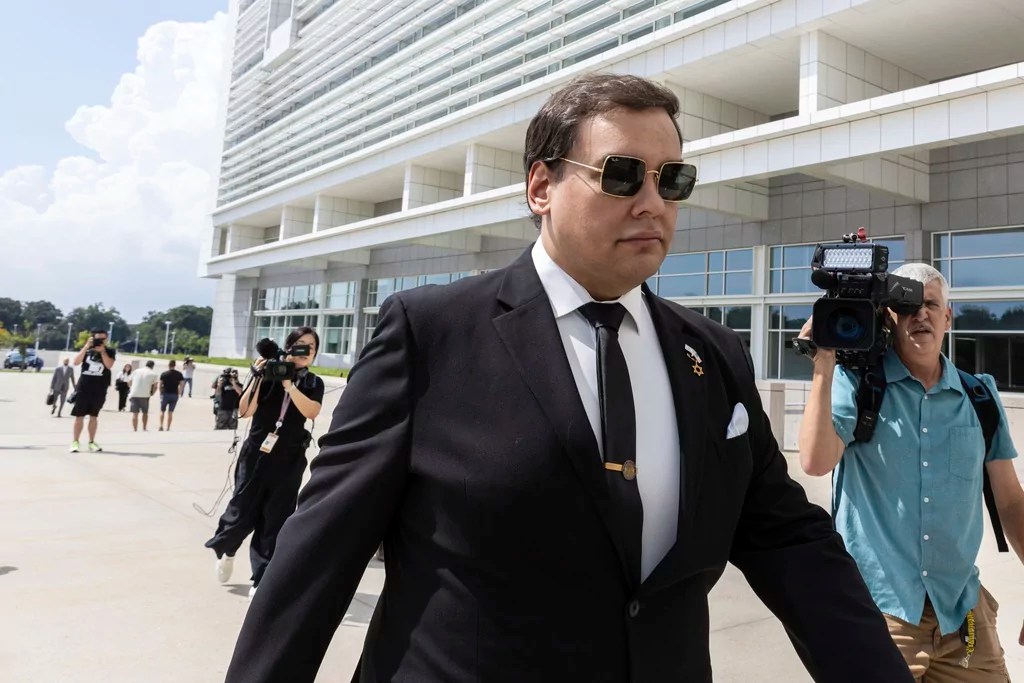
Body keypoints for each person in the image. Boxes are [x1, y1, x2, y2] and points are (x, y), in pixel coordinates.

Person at [225, 74, 912, 682]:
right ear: (541, 186)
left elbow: (790, 540)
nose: (652, 201)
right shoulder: (431, 332)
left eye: (672, 179)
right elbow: (318, 556)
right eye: (622, 175)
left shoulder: (715, 353)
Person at [797, 263, 1023, 681]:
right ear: (889, 318)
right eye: (908, 307)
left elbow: (1009, 499)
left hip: (963, 614)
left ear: (947, 318)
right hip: (880, 615)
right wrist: (823, 362)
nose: (921, 315)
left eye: (932, 305)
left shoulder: (980, 396)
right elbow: (815, 460)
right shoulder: (859, 385)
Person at [204, 327, 323, 599]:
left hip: (289, 457)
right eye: (301, 346)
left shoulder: (312, 382)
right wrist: (258, 377)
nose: (306, 353)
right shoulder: (268, 372)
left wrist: (289, 385)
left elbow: (312, 411)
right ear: (289, 347)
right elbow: (245, 411)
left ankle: (262, 576)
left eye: (311, 349)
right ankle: (229, 551)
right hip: (256, 453)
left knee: (276, 517)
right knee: (243, 509)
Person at [70, 329, 115, 453]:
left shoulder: (109, 351)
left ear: (106, 339)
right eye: (98, 338)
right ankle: (75, 442)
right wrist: (86, 346)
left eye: (103, 339)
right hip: (84, 387)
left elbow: (109, 365)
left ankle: (91, 441)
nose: (100, 341)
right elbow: (76, 361)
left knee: (94, 416)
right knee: (79, 416)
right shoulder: (87, 350)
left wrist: (103, 352)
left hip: (99, 388)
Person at [128, 360, 160, 432]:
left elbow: (129, 382)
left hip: (134, 394)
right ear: (152, 366)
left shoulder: (136, 371)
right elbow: (155, 386)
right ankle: (144, 428)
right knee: (145, 413)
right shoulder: (153, 374)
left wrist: (131, 389)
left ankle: (135, 429)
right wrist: (152, 393)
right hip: (145, 395)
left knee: (135, 413)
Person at [158, 359, 185, 431]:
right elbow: (182, 384)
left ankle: (161, 426)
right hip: (174, 394)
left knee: (162, 411)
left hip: (165, 394)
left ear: (168, 365)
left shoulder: (164, 374)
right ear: (175, 365)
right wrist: (179, 391)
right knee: (170, 412)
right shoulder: (179, 374)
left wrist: (160, 392)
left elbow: (160, 384)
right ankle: (168, 427)